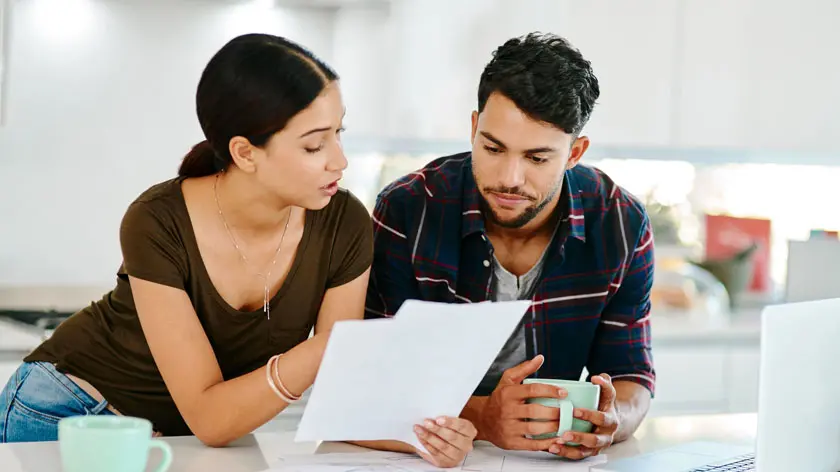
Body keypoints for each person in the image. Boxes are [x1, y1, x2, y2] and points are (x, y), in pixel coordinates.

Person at [0, 33, 475, 468]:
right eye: (314, 145)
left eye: (338, 133)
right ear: (246, 153)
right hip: (74, 413)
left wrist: (426, 435)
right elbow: (213, 417)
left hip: (179, 441)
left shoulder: (342, 221)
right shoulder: (156, 220)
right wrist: (333, 347)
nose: (340, 160)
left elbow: (341, 396)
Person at [365, 32, 655, 461]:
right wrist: (483, 417)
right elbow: (370, 380)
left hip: (546, 460)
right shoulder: (409, 209)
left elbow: (630, 376)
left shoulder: (620, 223)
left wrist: (614, 423)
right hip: (423, 454)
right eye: (492, 148)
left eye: (537, 158)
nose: (509, 178)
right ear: (473, 127)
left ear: (575, 152)